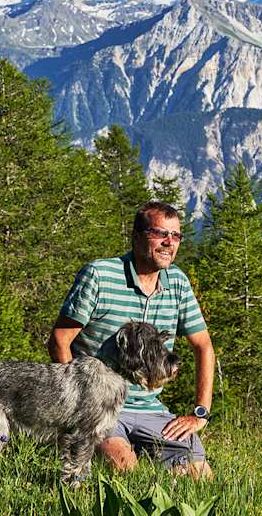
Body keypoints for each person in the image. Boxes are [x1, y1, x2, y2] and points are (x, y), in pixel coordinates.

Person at [47, 201, 215, 479]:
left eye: (176, 236)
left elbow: (204, 347)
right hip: (98, 405)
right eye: (160, 233)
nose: (169, 242)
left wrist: (200, 413)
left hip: (151, 409)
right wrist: (77, 405)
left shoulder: (177, 283)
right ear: (137, 237)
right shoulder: (100, 275)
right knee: (123, 471)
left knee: (200, 477)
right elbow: (59, 341)